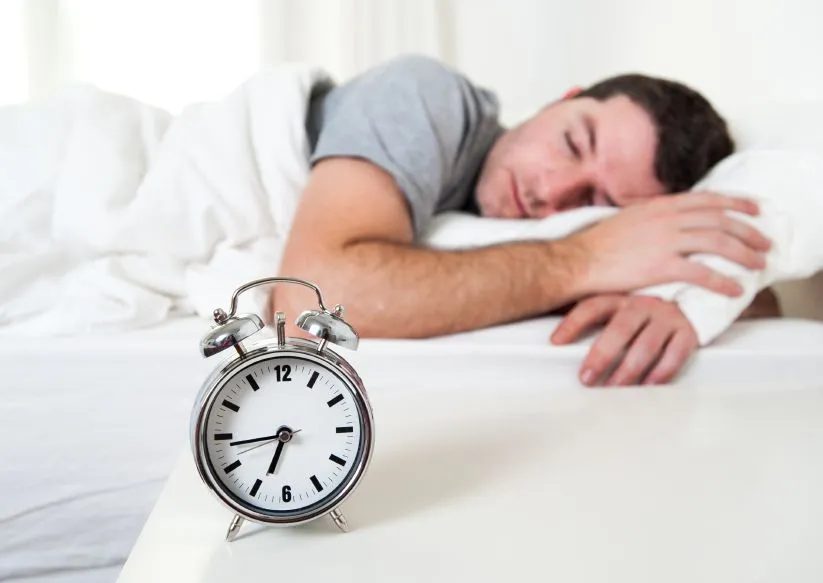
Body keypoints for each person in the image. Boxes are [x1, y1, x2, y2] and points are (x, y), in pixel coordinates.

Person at [272, 54, 776, 386]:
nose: (552, 192)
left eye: (595, 202)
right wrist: (583, 257)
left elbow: (768, 300)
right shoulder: (430, 96)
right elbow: (306, 304)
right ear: (563, 99)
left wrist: (681, 299)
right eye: (573, 143)